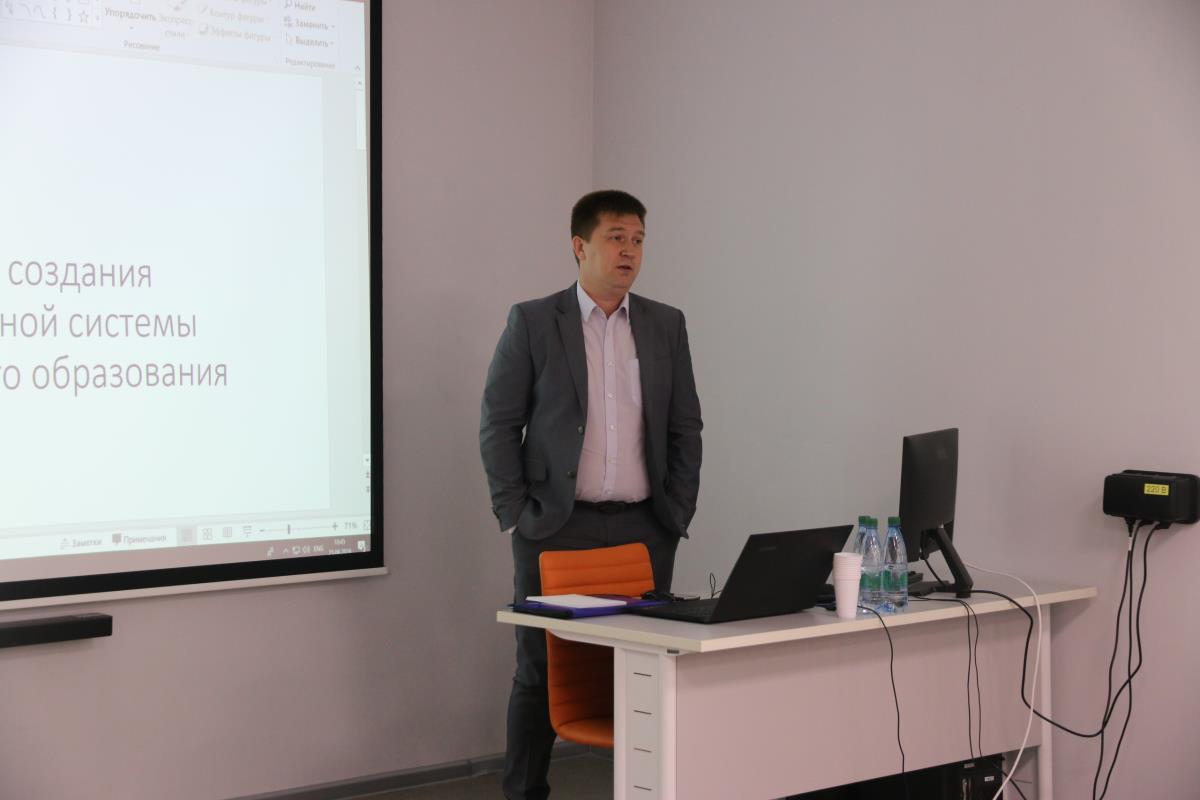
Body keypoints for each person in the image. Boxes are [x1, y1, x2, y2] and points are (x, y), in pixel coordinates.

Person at [479, 189, 703, 800]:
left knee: (647, 670)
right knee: (539, 670)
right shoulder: (534, 321)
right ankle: (525, 793)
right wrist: (516, 513)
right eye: (616, 238)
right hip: (557, 527)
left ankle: (645, 789)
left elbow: (685, 427)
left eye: (638, 240)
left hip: (643, 530)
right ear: (580, 247)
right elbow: (499, 422)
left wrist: (676, 512)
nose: (629, 251)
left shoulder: (665, 324)